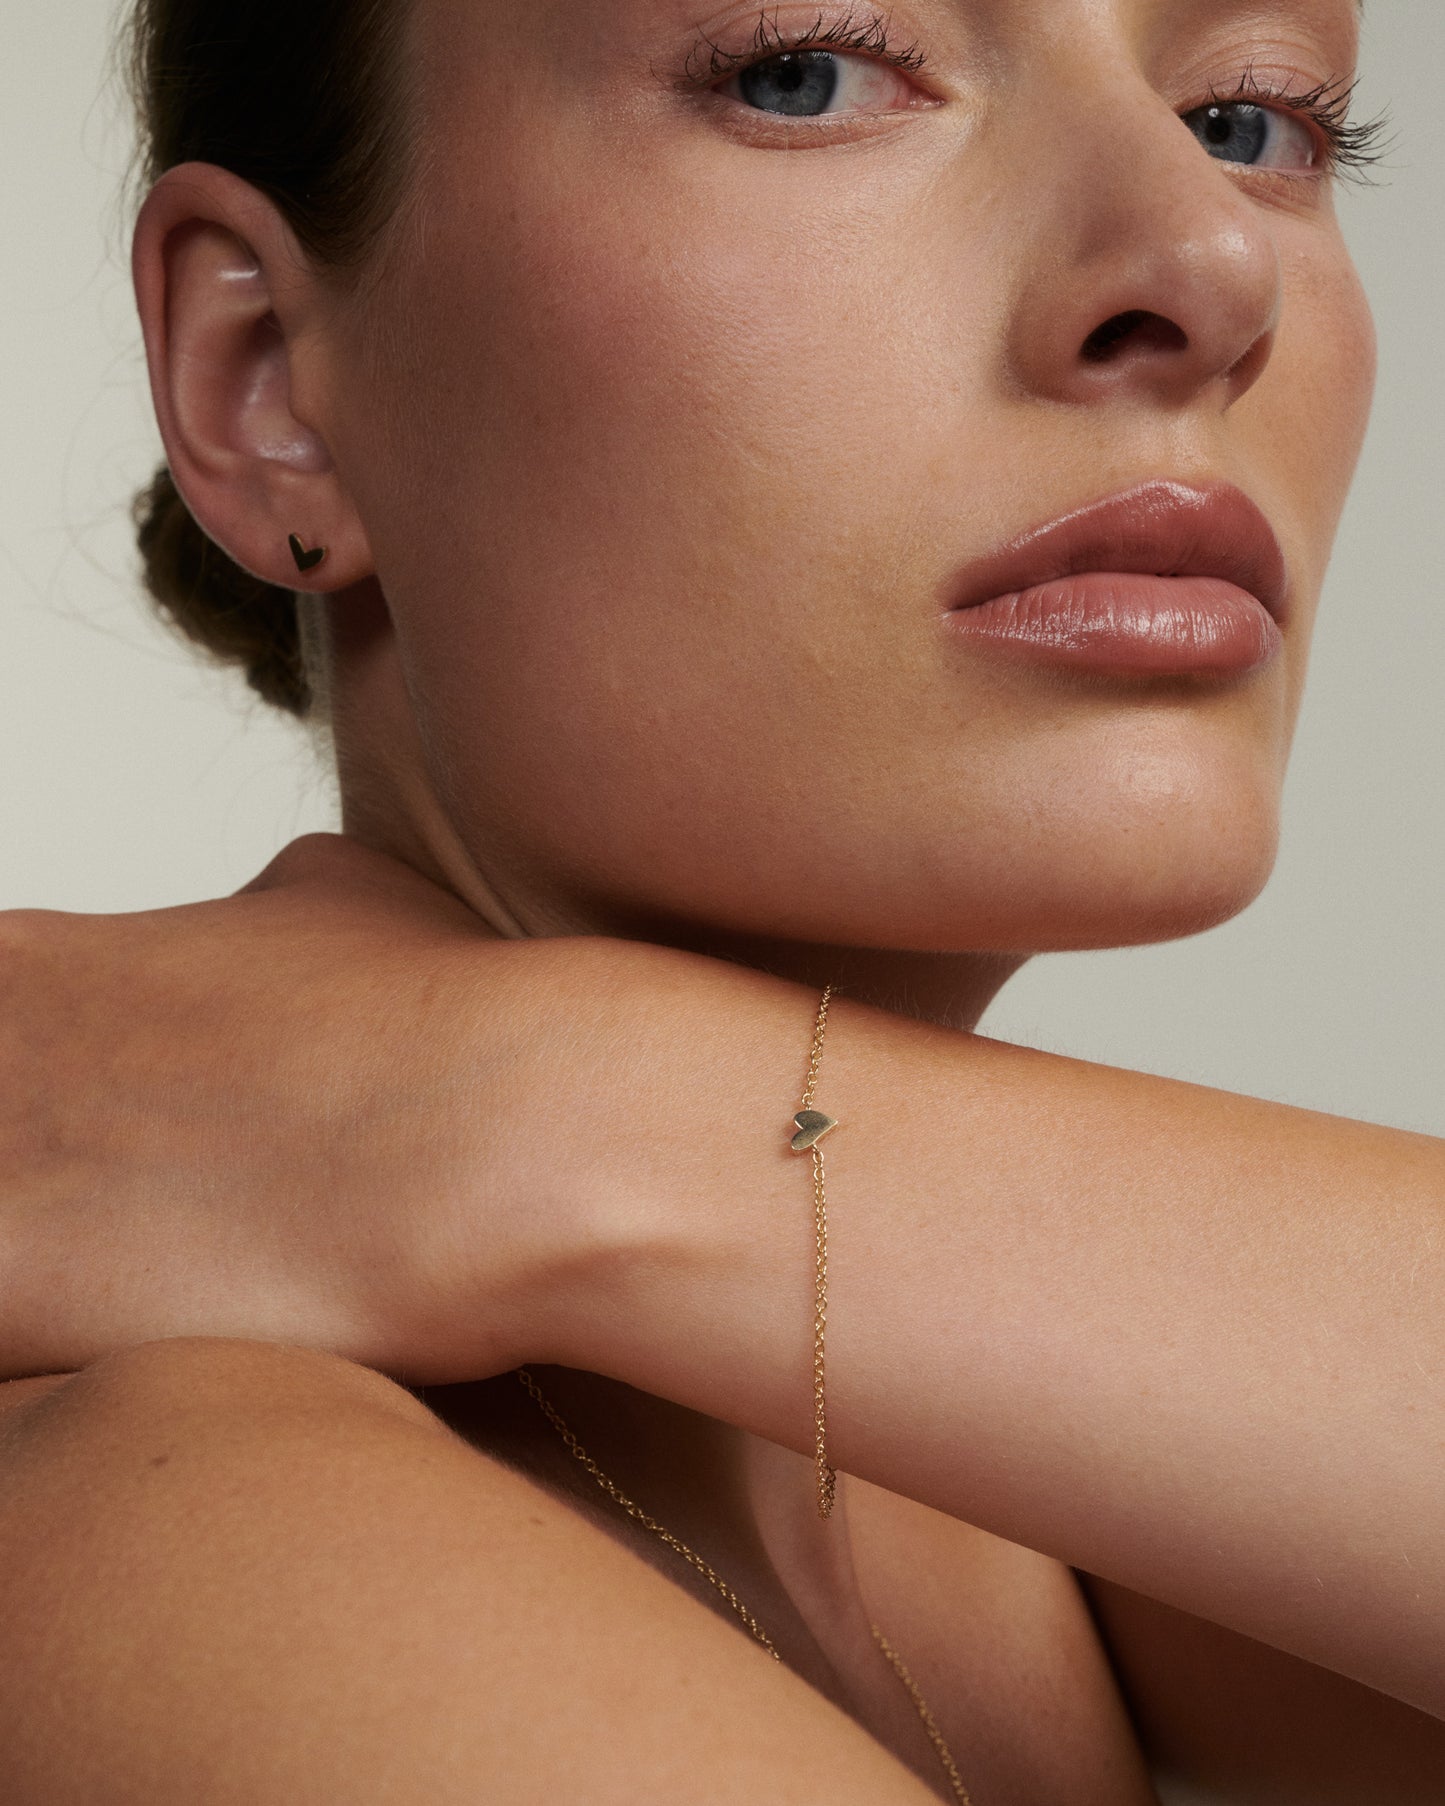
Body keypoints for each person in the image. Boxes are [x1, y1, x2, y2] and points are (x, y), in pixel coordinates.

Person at [1, 0, 1441, 1800]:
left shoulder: (991, 1507)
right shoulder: (200, 1538)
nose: (1210, 261)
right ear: (265, 380)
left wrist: (527, 1111)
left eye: (1254, 120)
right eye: (807, 72)